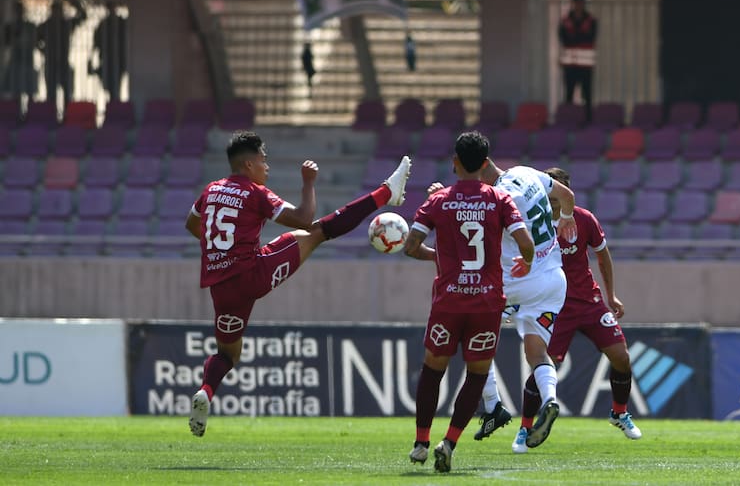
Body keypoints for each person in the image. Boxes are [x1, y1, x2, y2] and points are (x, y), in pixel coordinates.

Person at [185, 130, 411, 437]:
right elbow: (305, 218)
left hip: (221, 287)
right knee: (316, 233)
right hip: (253, 274)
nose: (267, 168)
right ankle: (386, 194)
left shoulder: (211, 190)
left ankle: (206, 392)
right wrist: (308, 181)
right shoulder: (255, 193)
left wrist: (220, 249)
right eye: (264, 161)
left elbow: (192, 224)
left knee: (227, 354)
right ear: (249, 164)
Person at [404, 131, 535, 473]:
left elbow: (410, 245)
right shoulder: (499, 199)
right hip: (487, 302)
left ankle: (420, 443)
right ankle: (448, 442)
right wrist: (529, 261)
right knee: (477, 373)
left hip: (449, 300)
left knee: (434, 367)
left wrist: (442, 258)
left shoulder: (438, 201)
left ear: (455, 163)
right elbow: (525, 243)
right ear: (486, 162)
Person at [429, 160, 577, 453]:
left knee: (467, 333)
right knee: (537, 353)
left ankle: (494, 405)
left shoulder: (499, 199)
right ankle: (549, 399)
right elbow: (567, 197)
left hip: (517, 282)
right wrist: (566, 219)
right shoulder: (527, 172)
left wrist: (440, 198)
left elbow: (471, 233)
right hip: (554, 281)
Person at [543, 166, 642, 440]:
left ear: (567, 191)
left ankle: (619, 413)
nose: (553, 194)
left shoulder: (583, 219)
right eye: (548, 187)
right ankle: (527, 427)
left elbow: (603, 256)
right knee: (544, 365)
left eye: (558, 188)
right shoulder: (533, 222)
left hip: (589, 301)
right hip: (554, 304)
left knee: (621, 358)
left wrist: (611, 296)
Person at [36, 0, 87, 103]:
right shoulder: (47, 25)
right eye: (55, 10)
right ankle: (51, 117)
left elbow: (83, 16)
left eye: (59, 10)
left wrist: (75, 2)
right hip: (51, 63)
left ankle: (66, 117)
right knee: (51, 95)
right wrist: (44, 51)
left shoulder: (66, 24)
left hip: (63, 63)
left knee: (67, 94)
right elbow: (35, 40)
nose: (57, 13)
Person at [558, 0, 597, 120]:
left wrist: (574, 36)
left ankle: (588, 121)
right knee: (568, 94)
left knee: (587, 95)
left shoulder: (591, 20)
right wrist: (580, 35)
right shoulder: (565, 20)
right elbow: (564, 39)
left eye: (580, 3)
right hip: (570, 65)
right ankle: (569, 120)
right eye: (576, 3)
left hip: (585, 65)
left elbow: (591, 38)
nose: (578, 6)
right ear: (572, 4)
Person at [90, 0, 127, 101]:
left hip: (119, 59)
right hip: (107, 59)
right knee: (109, 85)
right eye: (110, 8)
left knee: (116, 85)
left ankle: (115, 104)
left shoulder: (122, 22)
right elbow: (96, 42)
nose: (112, 10)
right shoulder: (104, 24)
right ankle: (112, 103)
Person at [1, 0, 38, 99]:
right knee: (15, 93)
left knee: (30, 93)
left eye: (20, 10)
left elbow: (35, 43)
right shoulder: (10, 27)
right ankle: (17, 113)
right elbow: (6, 43)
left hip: (27, 62)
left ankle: (30, 113)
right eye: (17, 10)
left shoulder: (30, 26)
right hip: (16, 63)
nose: (19, 13)